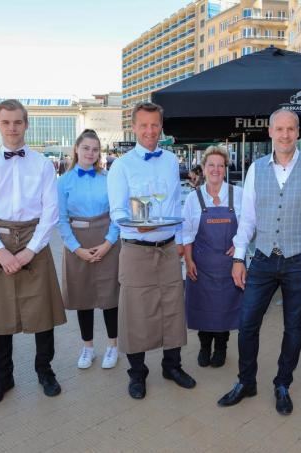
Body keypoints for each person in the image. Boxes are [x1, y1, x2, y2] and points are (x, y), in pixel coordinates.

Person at [217, 109, 301, 415]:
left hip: (300, 259)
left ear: (298, 132)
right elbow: (248, 219)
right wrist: (239, 257)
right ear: (270, 132)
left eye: (290, 129)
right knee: (247, 323)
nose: (285, 134)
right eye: (279, 129)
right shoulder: (256, 168)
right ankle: (246, 381)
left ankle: (283, 383)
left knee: (294, 327)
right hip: (263, 258)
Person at [0, 99, 66, 407]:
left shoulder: (42, 164)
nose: (12, 128)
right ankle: (3, 378)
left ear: (26, 124)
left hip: (33, 239)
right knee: (0, 315)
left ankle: (45, 371)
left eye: (17, 122)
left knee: (43, 314)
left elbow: (51, 211)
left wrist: (29, 251)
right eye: (6, 122)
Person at [108, 102, 196, 400]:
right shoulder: (121, 165)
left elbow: (175, 205)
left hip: (169, 248)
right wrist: (136, 226)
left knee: (172, 308)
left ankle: (172, 366)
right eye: (144, 125)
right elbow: (117, 211)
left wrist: (182, 240)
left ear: (161, 127)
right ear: (133, 127)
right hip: (136, 249)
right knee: (136, 313)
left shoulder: (171, 161)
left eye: (155, 125)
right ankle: (137, 374)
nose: (149, 131)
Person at [57, 129, 121, 370]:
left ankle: (113, 346)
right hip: (77, 242)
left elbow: (117, 214)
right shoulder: (63, 182)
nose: (90, 153)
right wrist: (76, 248)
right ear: (76, 149)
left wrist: (108, 243)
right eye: (86, 148)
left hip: (107, 241)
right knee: (83, 297)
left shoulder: (108, 179)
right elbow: (60, 219)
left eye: (95, 149)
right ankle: (88, 347)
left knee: (109, 296)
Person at [182, 146, 244, 368]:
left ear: (225, 169)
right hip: (201, 264)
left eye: (220, 165)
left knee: (225, 307)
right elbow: (186, 233)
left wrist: (239, 245)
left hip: (229, 266)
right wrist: (188, 261)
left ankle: (221, 347)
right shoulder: (193, 198)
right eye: (211, 165)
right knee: (203, 307)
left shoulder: (238, 194)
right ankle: (204, 346)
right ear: (204, 169)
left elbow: (249, 226)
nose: (216, 169)